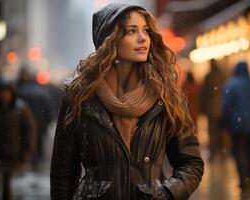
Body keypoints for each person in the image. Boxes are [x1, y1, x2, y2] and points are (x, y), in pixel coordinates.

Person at [50, 3, 204, 200]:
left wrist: (167, 194)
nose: (143, 38)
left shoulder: (166, 95)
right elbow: (63, 174)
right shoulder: (80, 96)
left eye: (145, 30)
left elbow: (191, 162)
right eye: (131, 31)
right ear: (110, 40)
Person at [0, 82, 37, 200]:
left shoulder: (21, 108)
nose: (4, 95)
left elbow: (29, 129)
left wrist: (27, 150)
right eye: (2, 92)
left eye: (7, 92)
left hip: (12, 153)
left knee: (7, 182)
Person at [221, 61, 250, 197]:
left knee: (239, 151)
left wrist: (224, 122)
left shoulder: (231, 84)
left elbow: (226, 106)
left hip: (237, 124)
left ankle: (243, 180)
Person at [199, 59, 226, 161]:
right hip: (222, 109)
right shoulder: (222, 76)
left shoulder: (208, 77)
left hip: (211, 109)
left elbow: (204, 94)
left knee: (212, 131)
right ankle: (222, 152)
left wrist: (203, 108)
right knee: (221, 131)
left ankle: (213, 152)